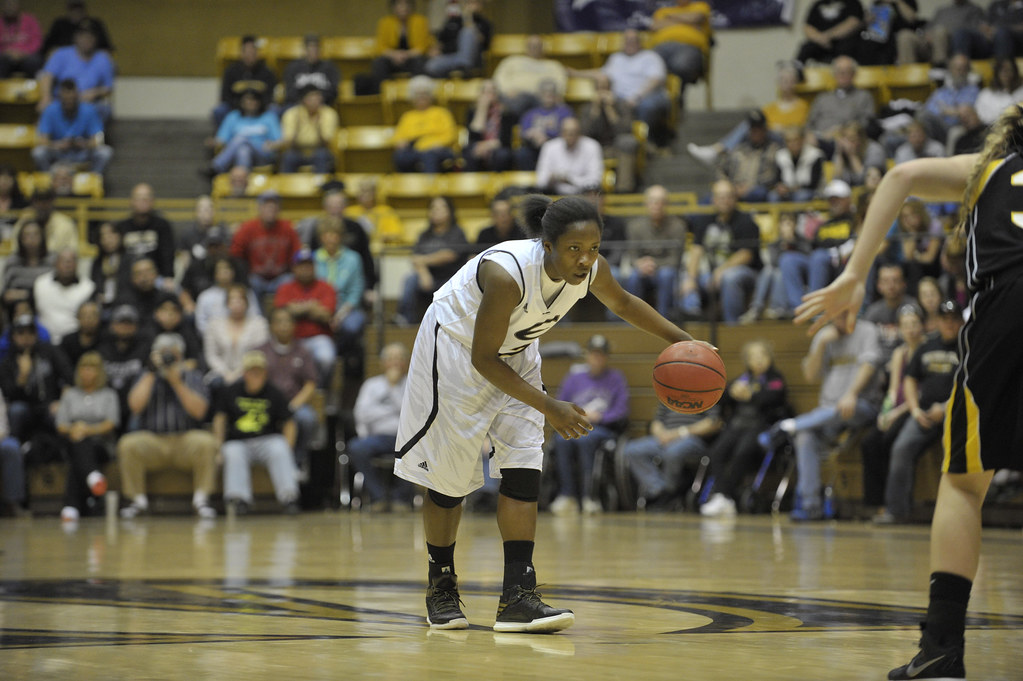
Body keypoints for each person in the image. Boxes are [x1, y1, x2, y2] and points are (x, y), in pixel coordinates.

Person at [391, 194, 699, 632]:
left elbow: (626, 304)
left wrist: (686, 344)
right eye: (575, 249)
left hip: (515, 353)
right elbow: (483, 358)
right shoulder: (507, 274)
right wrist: (549, 405)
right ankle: (440, 585)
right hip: (456, 351)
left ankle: (517, 596)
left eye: (593, 248)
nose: (585, 259)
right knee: (449, 480)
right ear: (547, 244)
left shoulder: (592, 269)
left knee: (524, 467)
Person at [791, 120, 1023, 676]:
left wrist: (854, 274)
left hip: (1008, 306)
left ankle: (942, 649)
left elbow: (901, 174)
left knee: (965, 483)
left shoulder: (990, 168)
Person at [117, 333, 218, 519]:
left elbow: (200, 412)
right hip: (153, 441)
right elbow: (134, 406)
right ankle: (137, 501)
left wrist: (177, 382)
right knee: (128, 444)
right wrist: (151, 372)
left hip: (185, 440)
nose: (168, 359)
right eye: (163, 354)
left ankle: (201, 499)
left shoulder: (193, 376)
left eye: (172, 355)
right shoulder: (145, 374)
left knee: (207, 442)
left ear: (180, 356)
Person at [700, 340, 790, 517]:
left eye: (762, 355)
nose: (758, 360)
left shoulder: (775, 379)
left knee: (743, 452)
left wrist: (751, 395)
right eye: (753, 357)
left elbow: (775, 397)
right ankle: (721, 495)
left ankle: (725, 496)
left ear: (769, 358)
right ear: (747, 361)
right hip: (737, 425)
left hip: (759, 426)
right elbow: (722, 397)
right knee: (717, 451)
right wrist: (730, 393)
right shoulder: (742, 379)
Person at [548, 334, 629, 516]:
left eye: (601, 354)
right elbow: (560, 403)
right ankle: (567, 495)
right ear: (587, 355)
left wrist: (600, 417)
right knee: (562, 440)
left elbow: (621, 410)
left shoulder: (616, 378)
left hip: (603, 428)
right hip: (577, 424)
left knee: (586, 440)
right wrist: (578, 416)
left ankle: (589, 496)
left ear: (607, 357)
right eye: (594, 354)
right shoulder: (574, 378)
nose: (597, 358)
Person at [0, 313, 73, 515]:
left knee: (61, 416)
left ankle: (66, 461)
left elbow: (69, 377)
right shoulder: (7, 362)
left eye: (30, 332)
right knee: (16, 411)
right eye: (20, 333)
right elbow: (7, 395)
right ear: (13, 336)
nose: (25, 337)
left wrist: (62, 401)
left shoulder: (50, 352)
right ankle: (17, 450)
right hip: (23, 409)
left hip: (50, 406)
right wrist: (22, 377)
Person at [214, 350, 300, 516]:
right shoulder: (230, 391)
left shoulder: (274, 392)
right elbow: (220, 418)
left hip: (267, 439)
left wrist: (288, 447)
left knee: (280, 448)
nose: (255, 375)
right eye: (251, 371)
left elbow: (289, 421)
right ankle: (239, 500)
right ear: (244, 373)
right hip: (238, 440)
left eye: (259, 371)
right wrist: (218, 446)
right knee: (232, 452)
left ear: (265, 373)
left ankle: (289, 498)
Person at [680, 179, 761, 323]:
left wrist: (720, 271)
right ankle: (693, 318)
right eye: (720, 197)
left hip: (746, 273)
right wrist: (691, 278)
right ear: (713, 200)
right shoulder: (704, 221)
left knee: (729, 277)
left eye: (728, 196)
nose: (725, 201)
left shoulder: (747, 221)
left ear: (735, 198)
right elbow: (696, 250)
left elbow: (746, 255)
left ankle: (732, 325)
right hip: (711, 273)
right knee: (685, 277)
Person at [347, 342, 412, 512]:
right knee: (356, 447)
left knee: (417, 448)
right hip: (376, 437)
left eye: (399, 358)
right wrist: (393, 410)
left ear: (406, 363)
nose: (395, 363)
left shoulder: (413, 384)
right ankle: (378, 497)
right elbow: (362, 414)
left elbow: (412, 414)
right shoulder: (371, 385)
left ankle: (401, 500)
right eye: (390, 358)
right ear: (382, 363)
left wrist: (391, 389)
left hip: (405, 437)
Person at [55, 351, 118, 522]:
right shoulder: (70, 395)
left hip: (101, 445)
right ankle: (93, 477)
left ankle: (71, 506)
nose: (87, 372)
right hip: (73, 441)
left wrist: (87, 430)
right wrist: (74, 429)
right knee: (78, 445)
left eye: (91, 369)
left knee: (80, 450)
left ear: (99, 372)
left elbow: (111, 423)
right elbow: (61, 425)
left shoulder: (108, 395)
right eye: (84, 368)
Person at [258, 307, 319, 480]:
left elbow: (310, 383)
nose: (284, 326)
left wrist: (294, 405)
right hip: (266, 403)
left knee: (307, 418)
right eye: (279, 322)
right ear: (271, 326)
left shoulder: (303, 350)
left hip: (294, 403)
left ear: (294, 326)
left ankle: (297, 462)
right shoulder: (261, 350)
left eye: (288, 322)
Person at [396, 196, 468, 325]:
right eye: (433, 208)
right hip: (430, 277)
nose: (437, 211)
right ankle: (405, 320)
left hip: (451, 277)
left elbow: (449, 254)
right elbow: (415, 258)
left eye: (441, 208)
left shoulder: (457, 232)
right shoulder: (425, 234)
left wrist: (424, 261)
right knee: (410, 280)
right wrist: (423, 272)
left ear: (450, 212)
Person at [623, 185, 687, 318]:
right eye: (653, 201)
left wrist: (652, 263)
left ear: (666, 204)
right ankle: (632, 319)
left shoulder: (678, 226)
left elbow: (675, 259)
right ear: (646, 204)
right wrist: (639, 264)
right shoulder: (635, 226)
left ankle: (663, 319)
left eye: (661, 201)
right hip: (642, 269)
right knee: (633, 277)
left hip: (666, 269)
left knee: (667, 275)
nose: (657, 205)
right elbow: (632, 255)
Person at [36, 19, 114, 122]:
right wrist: (46, 97)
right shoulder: (61, 54)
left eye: (90, 36)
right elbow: (47, 76)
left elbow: (108, 88)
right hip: (62, 100)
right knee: (47, 108)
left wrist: (94, 93)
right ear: (75, 37)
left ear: (96, 39)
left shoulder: (103, 58)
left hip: (88, 104)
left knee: (104, 110)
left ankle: (90, 137)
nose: (87, 39)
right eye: (82, 35)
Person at [230, 190, 301, 300]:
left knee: (289, 281)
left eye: (274, 206)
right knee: (250, 283)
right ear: (259, 208)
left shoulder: (288, 228)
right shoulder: (248, 228)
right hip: (256, 277)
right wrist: (245, 276)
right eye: (266, 205)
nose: (270, 209)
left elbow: (297, 254)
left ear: (278, 209)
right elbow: (235, 254)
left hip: (281, 277)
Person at [31, 78, 112, 174]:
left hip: (81, 152)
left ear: (77, 96)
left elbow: (97, 140)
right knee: (38, 152)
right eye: (66, 100)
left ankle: (93, 180)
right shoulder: (50, 110)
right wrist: (58, 145)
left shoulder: (89, 110)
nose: (69, 102)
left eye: (72, 99)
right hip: (58, 152)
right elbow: (43, 140)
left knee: (105, 152)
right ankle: (49, 181)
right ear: (60, 97)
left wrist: (83, 144)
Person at [203, 283, 270, 387]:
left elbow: (258, 353)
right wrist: (226, 373)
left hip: (249, 372)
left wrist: (237, 374)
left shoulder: (259, 324)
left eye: (240, 299)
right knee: (216, 384)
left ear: (247, 302)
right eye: (232, 300)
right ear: (227, 303)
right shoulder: (214, 324)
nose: (236, 303)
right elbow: (211, 355)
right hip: (220, 373)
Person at [391, 75, 458, 173]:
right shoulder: (407, 116)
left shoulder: (441, 113)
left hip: (438, 149)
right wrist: (401, 142)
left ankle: (430, 185)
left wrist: (433, 143)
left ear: (431, 95)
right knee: (399, 156)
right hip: (415, 150)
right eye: (417, 94)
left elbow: (451, 135)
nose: (421, 97)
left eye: (425, 93)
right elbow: (398, 137)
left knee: (429, 155)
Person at [209, 89, 281, 175]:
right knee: (243, 150)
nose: (251, 103)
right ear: (242, 102)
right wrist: (214, 143)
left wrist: (273, 145)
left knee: (241, 139)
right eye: (248, 100)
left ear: (259, 102)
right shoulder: (233, 116)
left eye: (254, 100)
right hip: (238, 154)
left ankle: (216, 167)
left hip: (262, 153)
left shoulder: (269, 117)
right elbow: (222, 139)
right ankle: (243, 181)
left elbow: (279, 140)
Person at [212, 34, 277, 127]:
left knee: (275, 111)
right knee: (219, 111)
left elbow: (270, 96)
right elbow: (225, 96)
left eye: (253, 52)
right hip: (236, 107)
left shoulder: (268, 72)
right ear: (241, 53)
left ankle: (272, 139)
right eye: (247, 52)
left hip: (260, 107)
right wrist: (242, 105)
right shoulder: (230, 71)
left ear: (258, 53)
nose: (250, 55)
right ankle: (222, 138)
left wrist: (256, 105)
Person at [367, 0, 433, 91]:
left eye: (406, 4)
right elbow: (380, 47)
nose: (403, 7)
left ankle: (417, 92)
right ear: (393, 7)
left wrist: (406, 54)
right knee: (378, 62)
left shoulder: (420, 21)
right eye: (400, 4)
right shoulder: (385, 22)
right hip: (393, 58)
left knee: (419, 61)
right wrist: (395, 54)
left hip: (412, 57)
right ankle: (383, 94)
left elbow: (422, 46)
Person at [32, 248, 94, 344]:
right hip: (44, 341)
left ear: (77, 265)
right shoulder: (40, 284)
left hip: (74, 343)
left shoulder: (88, 287)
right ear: (55, 264)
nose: (67, 265)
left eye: (71, 261)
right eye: (64, 261)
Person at [116, 183, 177, 280]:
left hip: (157, 280)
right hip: (127, 280)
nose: (143, 201)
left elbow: (168, 255)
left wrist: (168, 277)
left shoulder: (162, 225)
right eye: (139, 198)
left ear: (153, 201)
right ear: (131, 201)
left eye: (146, 198)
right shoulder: (121, 227)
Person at [649, 0, 712, 91]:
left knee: (680, 66)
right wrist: (688, 23)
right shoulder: (663, 11)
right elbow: (655, 26)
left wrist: (670, 17)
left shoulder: (701, 6)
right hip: (661, 47)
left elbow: (696, 18)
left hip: (689, 47)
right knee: (647, 65)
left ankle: (678, 96)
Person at [535, 117, 604, 196]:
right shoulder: (549, 147)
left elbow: (595, 180)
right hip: (555, 196)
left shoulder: (592, 146)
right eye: (566, 132)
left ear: (580, 133)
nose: (570, 136)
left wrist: (571, 180)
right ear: (561, 133)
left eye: (573, 133)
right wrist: (551, 179)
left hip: (584, 196)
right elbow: (540, 181)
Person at [424, 0, 491, 79]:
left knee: (468, 32)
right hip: (452, 57)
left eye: (476, 3)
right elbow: (441, 40)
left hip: (472, 59)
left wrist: (468, 18)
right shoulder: (453, 20)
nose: (473, 5)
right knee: (431, 65)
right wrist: (435, 49)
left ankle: (463, 66)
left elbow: (484, 44)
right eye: (470, 2)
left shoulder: (485, 23)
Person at [279, 85, 338, 173]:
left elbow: (327, 143)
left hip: (320, 149)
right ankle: (286, 185)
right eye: (311, 99)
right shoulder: (291, 114)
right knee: (288, 156)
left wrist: (319, 128)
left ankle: (321, 183)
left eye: (317, 98)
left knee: (321, 155)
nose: (315, 102)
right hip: (297, 151)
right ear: (303, 100)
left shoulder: (329, 113)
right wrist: (296, 129)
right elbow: (288, 143)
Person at [795, 0, 865, 65]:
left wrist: (828, 36)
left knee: (848, 47)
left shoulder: (853, 2)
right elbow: (807, 26)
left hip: (844, 43)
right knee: (806, 48)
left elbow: (853, 23)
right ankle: (794, 70)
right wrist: (820, 38)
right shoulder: (818, 4)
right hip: (820, 43)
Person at [281, 33, 339, 109]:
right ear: (304, 49)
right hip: (297, 106)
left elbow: (333, 91)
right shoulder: (293, 67)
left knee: (331, 116)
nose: (313, 51)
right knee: (289, 115)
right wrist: (306, 100)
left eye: (316, 48)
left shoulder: (330, 68)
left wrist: (316, 100)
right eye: (310, 47)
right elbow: (289, 91)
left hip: (322, 107)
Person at [42, 0, 114, 55]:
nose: (76, 12)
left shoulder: (94, 24)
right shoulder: (59, 24)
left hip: (91, 60)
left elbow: (106, 48)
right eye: (73, 9)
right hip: (64, 62)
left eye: (79, 9)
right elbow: (47, 47)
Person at [0, 0, 42, 78]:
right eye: (7, 5)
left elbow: (37, 40)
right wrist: (6, 52)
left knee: (35, 61)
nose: (10, 7)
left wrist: (23, 53)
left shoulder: (30, 20)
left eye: (12, 4)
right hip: (5, 57)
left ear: (18, 6)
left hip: (26, 56)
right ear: (3, 7)